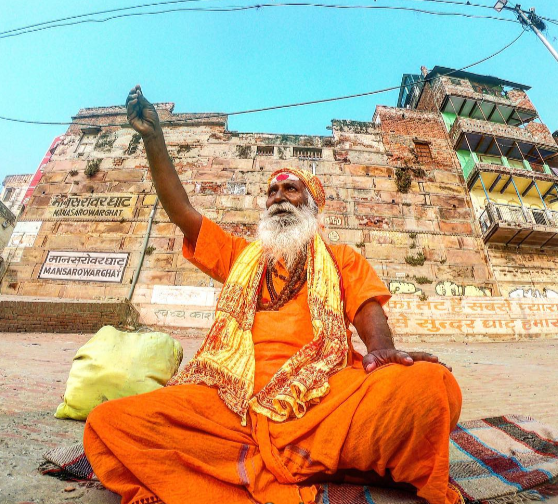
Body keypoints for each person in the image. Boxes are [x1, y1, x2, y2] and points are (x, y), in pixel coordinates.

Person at [83, 85, 462, 504]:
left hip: (319, 394)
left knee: (431, 387)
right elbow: (183, 212)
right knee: (108, 421)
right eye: (272, 193)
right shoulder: (241, 256)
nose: (278, 198)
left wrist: (382, 351)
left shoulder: (340, 259)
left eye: (290, 191)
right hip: (230, 400)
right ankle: (326, 462)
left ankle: (270, 460)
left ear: (312, 208)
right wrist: (155, 139)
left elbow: (369, 313)